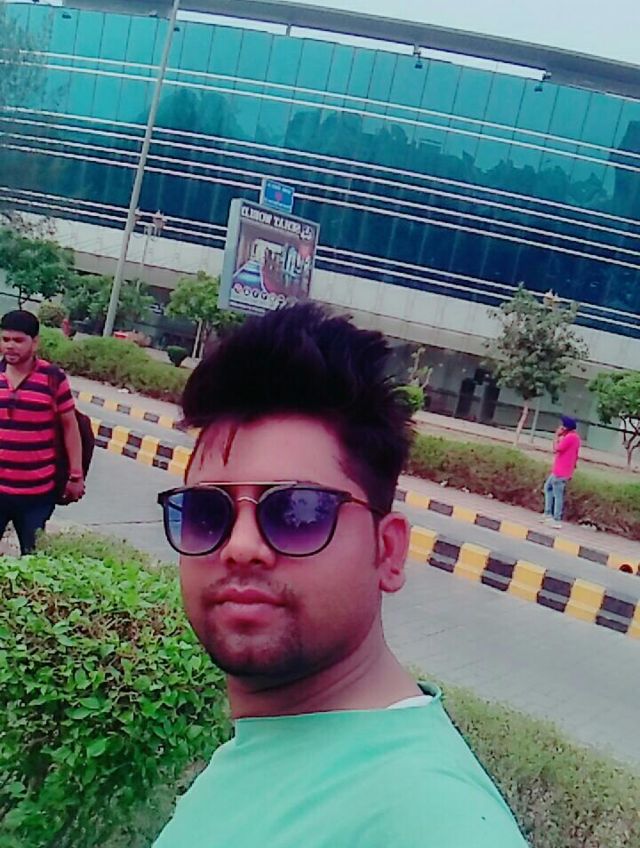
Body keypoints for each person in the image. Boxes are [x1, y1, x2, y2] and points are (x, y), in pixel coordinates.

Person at [154, 303, 527, 847]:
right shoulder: (270, 746)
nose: (241, 547)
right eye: (208, 512)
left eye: (298, 513)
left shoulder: (431, 820)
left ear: (388, 552)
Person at [0, 310, 85, 554]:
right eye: (5, 339)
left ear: (35, 342)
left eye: (18, 340)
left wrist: (76, 475)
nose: (10, 346)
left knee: (33, 558)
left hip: (37, 494)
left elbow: (70, 427)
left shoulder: (53, 378)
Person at [543, 415, 581, 529]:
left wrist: (556, 436)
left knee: (558, 494)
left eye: (563, 426)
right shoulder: (575, 437)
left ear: (566, 428)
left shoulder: (570, 437)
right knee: (548, 487)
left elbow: (557, 448)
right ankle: (547, 514)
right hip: (561, 470)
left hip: (561, 471)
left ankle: (556, 519)